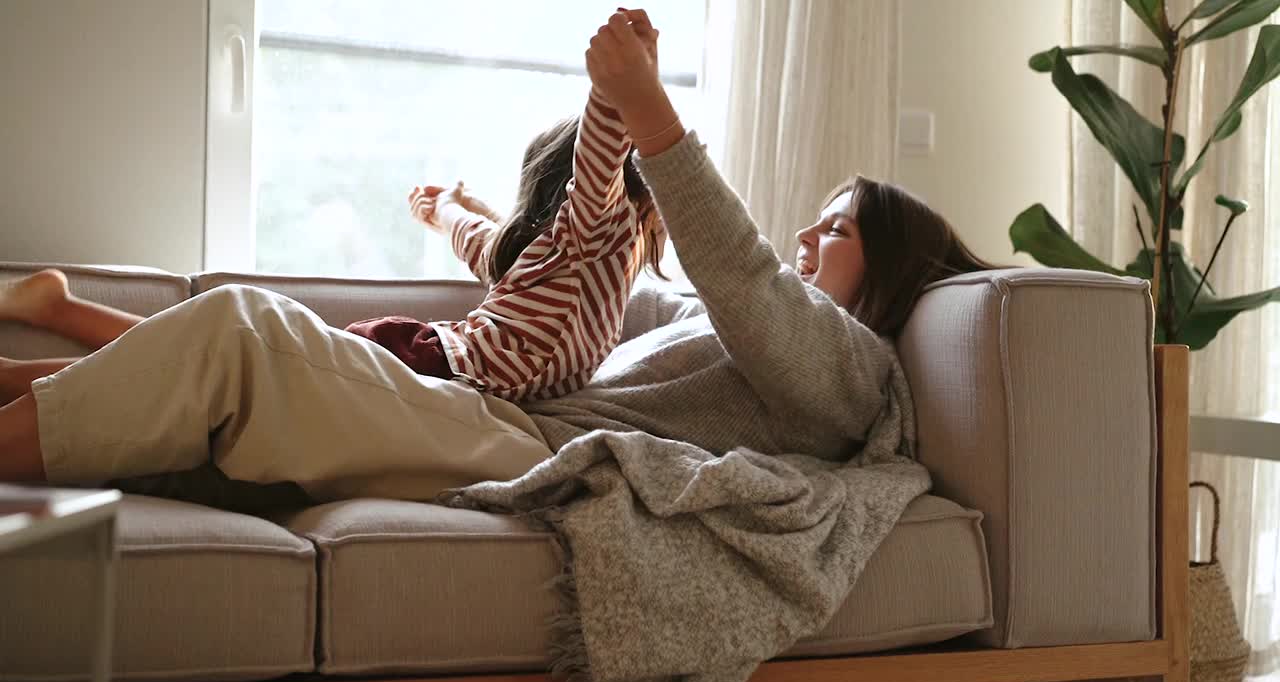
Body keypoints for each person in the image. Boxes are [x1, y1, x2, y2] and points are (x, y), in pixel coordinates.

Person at [0, 9, 996, 504]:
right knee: (233, 365)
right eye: (813, 220)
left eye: (838, 229)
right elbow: (589, 245)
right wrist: (485, 221)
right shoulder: (731, 320)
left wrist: (642, 108)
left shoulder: (849, 368)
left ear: (895, 267)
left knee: (241, 331)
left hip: (535, 448)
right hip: (503, 417)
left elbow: (742, 278)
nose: (806, 239)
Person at [345, 83, 669, 401]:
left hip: (460, 370)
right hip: (446, 364)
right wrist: (622, 82)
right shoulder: (605, 232)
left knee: (342, 353)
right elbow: (486, 243)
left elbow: (491, 246)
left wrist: (455, 208)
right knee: (350, 348)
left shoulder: (579, 257)